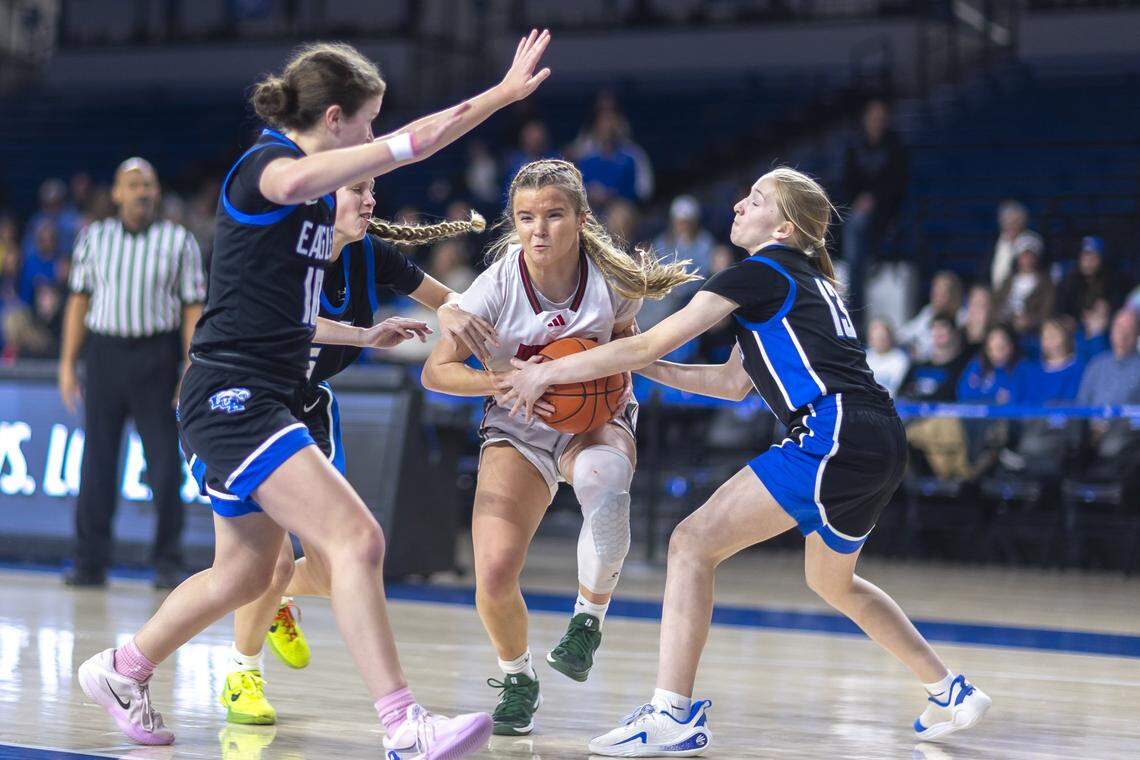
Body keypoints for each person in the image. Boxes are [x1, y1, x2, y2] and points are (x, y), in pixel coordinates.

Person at [76, 33, 552, 758]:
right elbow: (411, 144)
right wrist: (500, 95)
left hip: (253, 391)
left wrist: (371, 334)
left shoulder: (312, 212)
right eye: (364, 124)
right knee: (357, 540)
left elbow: (286, 311)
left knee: (243, 573)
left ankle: (122, 668)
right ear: (334, 119)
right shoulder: (269, 171)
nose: (369, 140)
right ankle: (405, 726)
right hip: (235, 396)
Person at [498, 167, 990, 755]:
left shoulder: (759, 271)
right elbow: (734, 383)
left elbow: (653, 340)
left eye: (754, 199)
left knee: (689, 543)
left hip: (831, 433)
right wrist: (632, 368)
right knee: (832, 583)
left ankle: (671, 714)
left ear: (783, 226)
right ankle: (949, 689)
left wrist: (550, 370)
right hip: (876, 438)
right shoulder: (798, 279)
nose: (737, 204)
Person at [421, 159, 696, 737]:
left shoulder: (613, 280)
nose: (538, 229)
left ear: (581, 218)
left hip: (594, 415)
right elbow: (437, 372)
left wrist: (574, 376)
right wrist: (509, 380)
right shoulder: (495, 285)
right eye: (525, 218)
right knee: (493, 576)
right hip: (518, 422)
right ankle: (517, 676)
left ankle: (587, 622)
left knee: (606, 484)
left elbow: (626, 354)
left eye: (552, 215)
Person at [221, 178, 495, 725]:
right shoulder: (283, 249)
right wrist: (366, 336)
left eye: (373, 190)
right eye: (357, 189)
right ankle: (240, 674)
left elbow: (450, 301)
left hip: (307, 406)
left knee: (329, 566)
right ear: (321, 199)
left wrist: (484, 319)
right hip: (242, 402)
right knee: (264, 562)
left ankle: (273, 599)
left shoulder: (372, 255)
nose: (371, 200)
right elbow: (294, 326)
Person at [59, 157, 206, 589]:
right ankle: (89, 562)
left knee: (163, 464)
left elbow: (191, 310)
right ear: (118, 193)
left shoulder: (178, 241)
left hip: (156, 357)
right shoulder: (94, 237)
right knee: (97, 464)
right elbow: (78, 302)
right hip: (105, 355)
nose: (143, 191)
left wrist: (189, 365)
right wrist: (68, 364)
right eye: (134, 184)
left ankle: (167, 562)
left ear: (157, 193)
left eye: (149, 184)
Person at [840, 99, 909, 316]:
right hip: (856, 208)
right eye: (872, 117)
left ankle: (855, 300)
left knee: (856, 225)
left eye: (881, 118)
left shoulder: (895, 146)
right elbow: (846, 181)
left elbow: (898, 183)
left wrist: (874, 198)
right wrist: (859, 200)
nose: (876, 122)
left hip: (886, 211)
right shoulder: (855, 146)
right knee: (850, 221)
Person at [896, 270, 964, 360]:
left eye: (942, 293)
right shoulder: (928, 311)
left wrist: (919, 350)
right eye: (935, 292)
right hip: (920, 362)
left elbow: (946, 347)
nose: (936, 297)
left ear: (953, 295)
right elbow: (905, 333)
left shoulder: (961, 317)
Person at [956, 323, 1023, 405]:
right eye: (994, 347)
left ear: (1011, 346)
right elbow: (963, 394)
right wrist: (994, 399)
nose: (997, 350)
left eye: (1001, 347)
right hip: (973, 417)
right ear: (987, 347)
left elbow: (1013, 399)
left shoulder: (1021, 369)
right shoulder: (977, 365)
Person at [865, 318, 909, 396]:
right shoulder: (864, 357)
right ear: (870, 339)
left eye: (882, 338)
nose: (879, 342)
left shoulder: (900, 358)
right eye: (876, 338)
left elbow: (896, 388)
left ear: (889, 337)